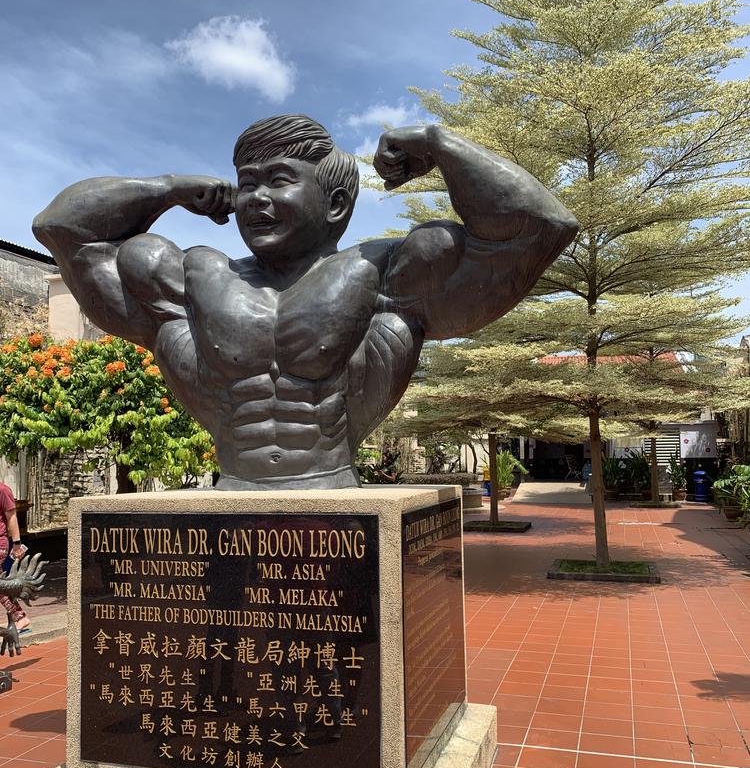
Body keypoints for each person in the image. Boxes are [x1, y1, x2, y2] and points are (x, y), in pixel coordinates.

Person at [33, 116, 578, 490]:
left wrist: (439, 142)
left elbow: (538, 228)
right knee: (144, 252)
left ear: (337, 203)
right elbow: (63, 228)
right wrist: (168, 187)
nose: (256, 199)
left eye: (279, 181)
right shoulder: (193, 277)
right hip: (230, 489)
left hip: (334, 482)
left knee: (438, 238)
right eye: (247, 184)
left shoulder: (386, 273)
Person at [0, 482, 30, 632]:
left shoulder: (3, 490)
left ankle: (20, 616)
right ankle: (19, 616)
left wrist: (17, 544)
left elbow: (12, 517)